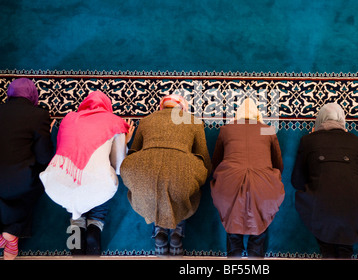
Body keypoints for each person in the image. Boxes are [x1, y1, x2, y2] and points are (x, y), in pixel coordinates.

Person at [39, 91, 134, 255]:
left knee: (73, 177)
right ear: (107, 108)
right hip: (95, 190)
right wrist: (125, 143)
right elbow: (119, 167)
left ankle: (77, 223)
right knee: (105, 176)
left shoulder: (68, 119)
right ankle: (95, 225)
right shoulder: (115, 123)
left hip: (55, 187)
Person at [120, 94, 211, 255]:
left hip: (145, 172)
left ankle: (160, 230)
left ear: (161, 107)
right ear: (183, 108)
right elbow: (203, 157)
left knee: (150, 185)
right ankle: (177, 230)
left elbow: (134, 150)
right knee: (185, 185)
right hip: (182, 170)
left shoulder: (146, 120)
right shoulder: (194, 121)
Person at [291, 102, 358, 259]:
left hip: (320, 210)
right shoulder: (356, 141)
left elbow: (297, 181)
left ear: (318, 123)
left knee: (327, 244)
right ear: (343, 124)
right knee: (345, 245)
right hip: (353, 210)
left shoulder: (307, 140)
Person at [210, 98, 284, 258]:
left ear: (238, 113)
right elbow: (278, 164)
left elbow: (215, 162)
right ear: (257, 114)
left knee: (233, 223)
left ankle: (234, 254)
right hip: (263, 187)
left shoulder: (226, 129)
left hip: (229, 185)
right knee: (259, 225)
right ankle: (255, 253)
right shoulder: (268, 129)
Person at [0, 78, 54, 260]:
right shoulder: (39, 116)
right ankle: (10, 233)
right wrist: (47, 135)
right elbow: (44, 157)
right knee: (38, 177)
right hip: (19, 182)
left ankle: (8, 235)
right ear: (33, 95)